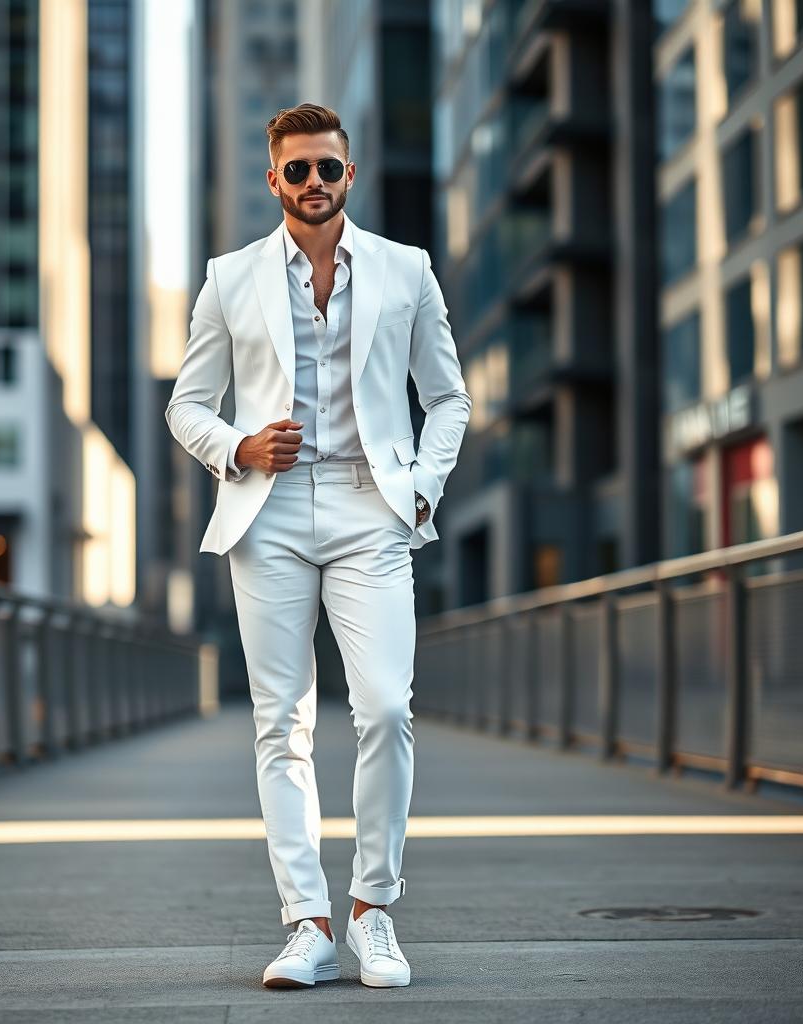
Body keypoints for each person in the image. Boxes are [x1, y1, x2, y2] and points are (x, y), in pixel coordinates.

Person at [164, 102, 470, 989]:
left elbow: (447, 397)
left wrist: (419, 485)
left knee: (383, 707)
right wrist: (237, 447)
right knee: (282, 723)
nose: (311, 184)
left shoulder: (406, 271)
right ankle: (308, 923)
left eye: (325, 169)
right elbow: (187, 404)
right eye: (295, 171)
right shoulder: (230, 278)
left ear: (349, 174)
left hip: (371, 507)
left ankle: (375, 910)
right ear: (274, 181)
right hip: (270, 512)